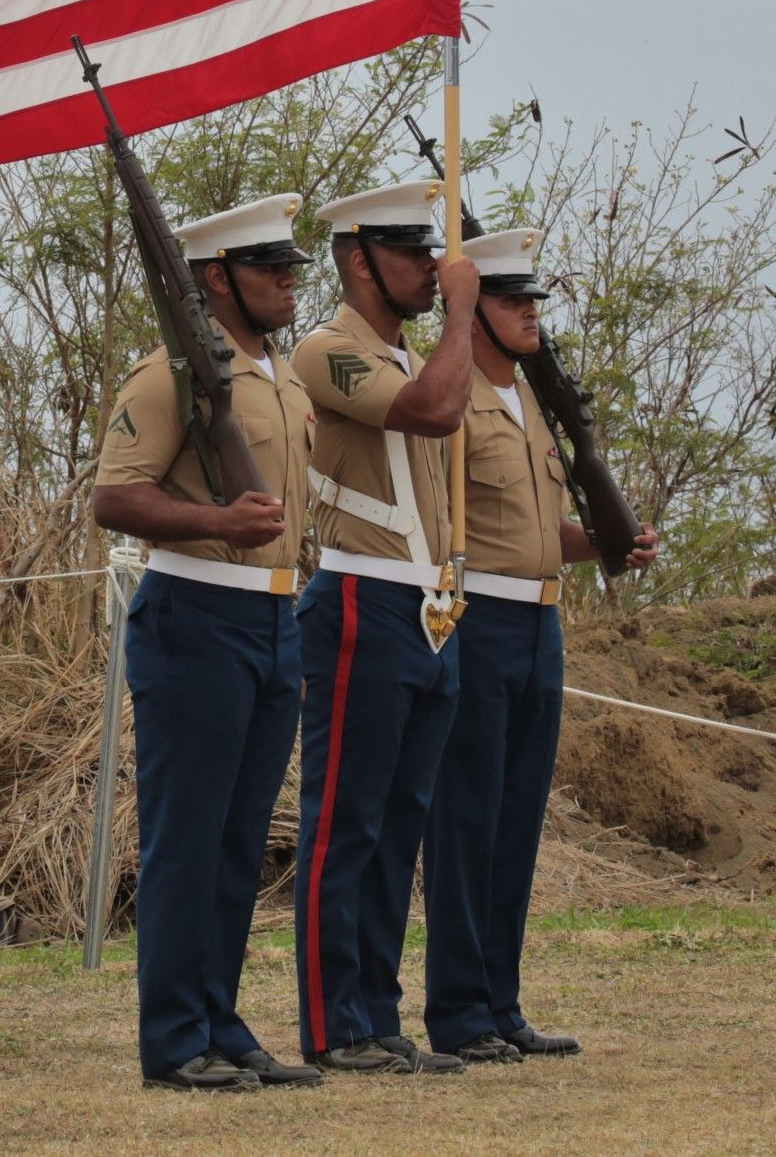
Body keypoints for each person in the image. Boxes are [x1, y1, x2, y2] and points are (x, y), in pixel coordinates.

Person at [91, 194, 322, 1095]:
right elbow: (116, 495)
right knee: (187, 838)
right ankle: (175, 1035)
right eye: (271, 268)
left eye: (292, 266)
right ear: (218, 277)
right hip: (195, 611)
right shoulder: (168, 374)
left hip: (274, 616)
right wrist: (215, 520)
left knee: (237, 840)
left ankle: (221, 1021)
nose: (289, 281)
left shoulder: (280, 375)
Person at [422, 227, 658, 1066]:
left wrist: (606, 542)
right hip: (477, 620)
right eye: (512, 300)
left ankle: (501, 1001)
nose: (531, 313)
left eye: (533, 300)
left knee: (516, 821)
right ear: (474, 312)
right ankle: (456, 1010)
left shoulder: (530, 403)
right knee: (467, 820)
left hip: (540, 623)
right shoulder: (457, 402)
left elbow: (538, 530)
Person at [290, 180, 478, 1078]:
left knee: (400, 823)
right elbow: (435, 411)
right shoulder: (328, 350)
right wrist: (465, 313)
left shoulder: (410, 354)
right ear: (361, 259)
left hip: (429, 603)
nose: (430, 271)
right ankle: (334, 1023)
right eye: (411, 254)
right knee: (346, 823)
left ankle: (378, 1013)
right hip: (363, 592)